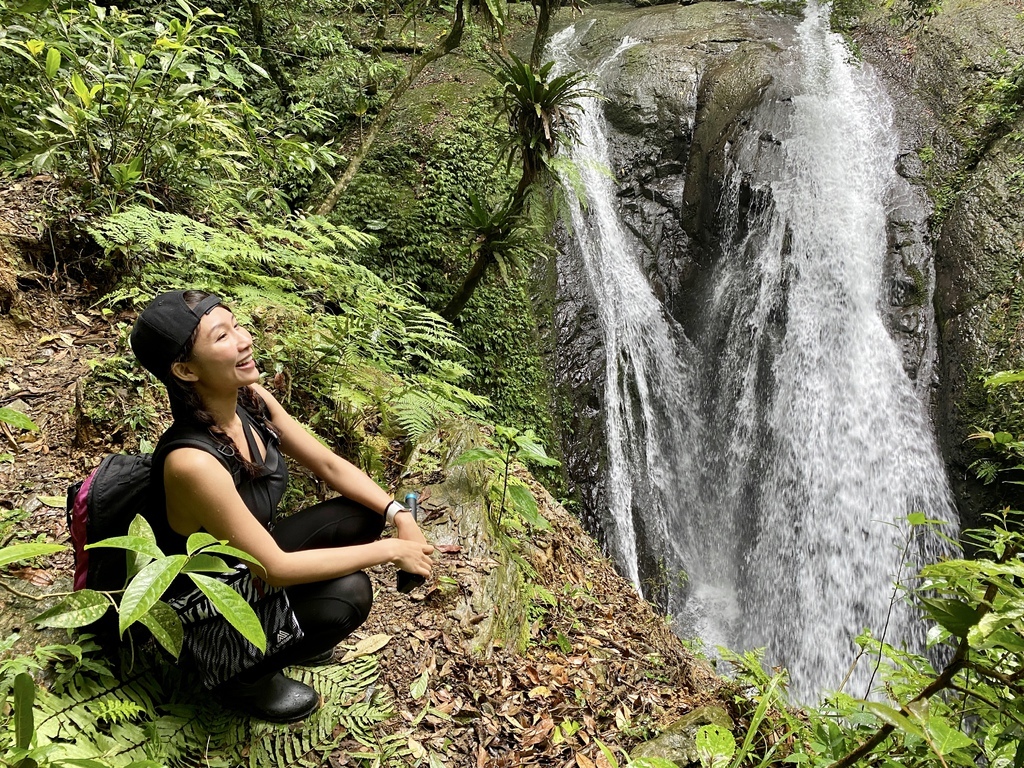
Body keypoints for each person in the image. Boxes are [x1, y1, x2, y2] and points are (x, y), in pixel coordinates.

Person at [129, 289, 434, 723]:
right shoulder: (192, 463)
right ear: (185, 369)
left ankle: (292, 633)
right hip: (206, 605)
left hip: (247, 564)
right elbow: (273, 568)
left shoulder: (252, 402)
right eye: (223, 337)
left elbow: (329, 463)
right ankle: (241, 681)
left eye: (237, 325)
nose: (244, 338)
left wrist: (398, 515)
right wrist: (393, 551)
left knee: (366, 512)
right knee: (349, 594)